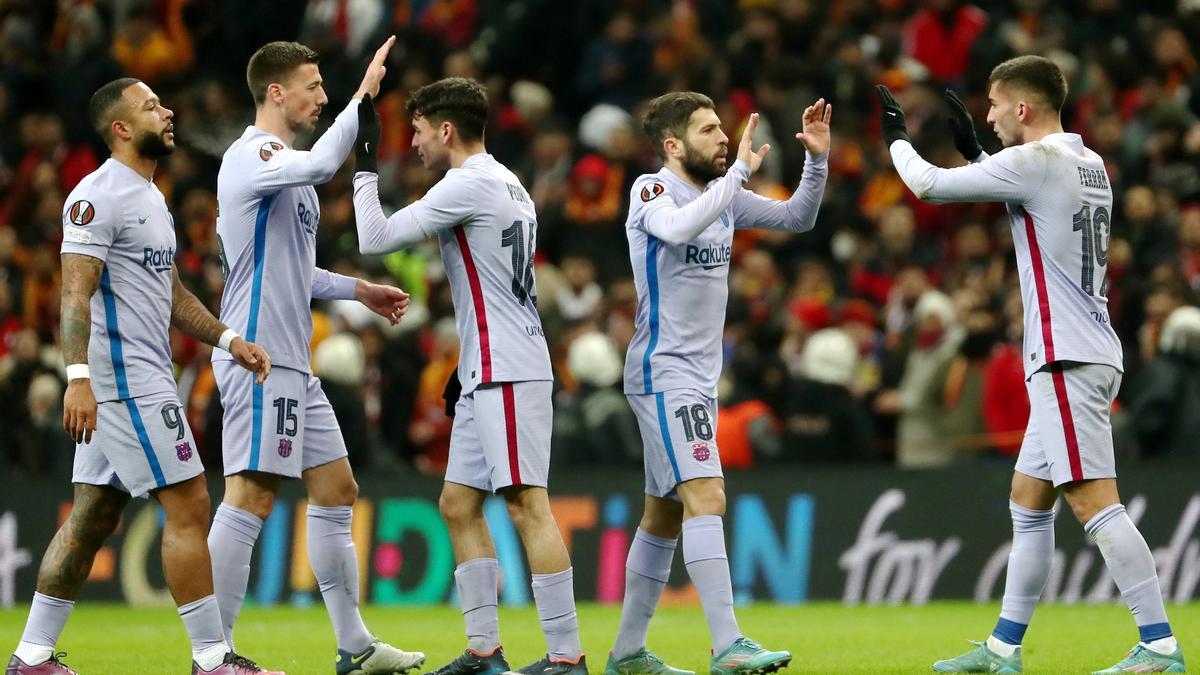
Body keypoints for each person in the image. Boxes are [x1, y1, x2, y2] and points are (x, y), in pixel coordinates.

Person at [876, 55, 1187, 673]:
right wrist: (980, 157)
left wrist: (896, 140)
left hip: (1068, 356)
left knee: (1094, 502)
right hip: (1087, 346)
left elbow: (928, 187)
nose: (986, 116)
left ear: (1023, 107)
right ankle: (1002, 648)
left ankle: (1159, 645)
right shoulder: (1087, 163)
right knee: (1028, 496)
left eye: (993, 105)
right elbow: (1033, 202)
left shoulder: (1037, 162)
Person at [8, 77, 276, 675]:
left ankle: (31, 659)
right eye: (152, 105)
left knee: (92, 516)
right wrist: (77, 376)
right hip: (125, 383)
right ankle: (212, 660)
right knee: (188, 500)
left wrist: (230, 340)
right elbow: (73, 294)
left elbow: (172, 293)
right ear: (122, 128)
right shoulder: (96, 196)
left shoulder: (151, 198)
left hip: (131, 380)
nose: (169, 109)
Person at [350, 78, 585, 675]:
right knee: (457, 504)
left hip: (506, 367)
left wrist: (364, 160)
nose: (417, 143)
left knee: (528, 505)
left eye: (421, 131)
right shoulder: (508, 179)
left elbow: (373, 237)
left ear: (446, 129)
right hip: (489, 363)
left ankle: (566, 658)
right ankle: (485, 651)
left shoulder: (467, 182)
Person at [206, 39, 423, 675]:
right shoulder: (253, 158)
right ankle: (213, 655)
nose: (323, 96)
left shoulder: (286, 171)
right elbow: (330, 160)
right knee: (249, 495)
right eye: (313, 85)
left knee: (337, 485)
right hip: (259, 357)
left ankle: (355, 649)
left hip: (294, 364)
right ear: (277, 92)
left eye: (329, 87)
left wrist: (358, 288)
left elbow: (297, 272)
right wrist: (363, 94)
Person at [610, 91, 830, 675]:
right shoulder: (652, 190)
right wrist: (735, 176)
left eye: (721, 129)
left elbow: (797, 218)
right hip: (665, 371)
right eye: (709, 130)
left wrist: (817, 160)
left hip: (697, 377)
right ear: (673, 145)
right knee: (707, 496)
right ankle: (728, 643)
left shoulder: (722, 196)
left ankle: (627, 653)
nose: (724, 138)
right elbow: (680, 230)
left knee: (663, 513)